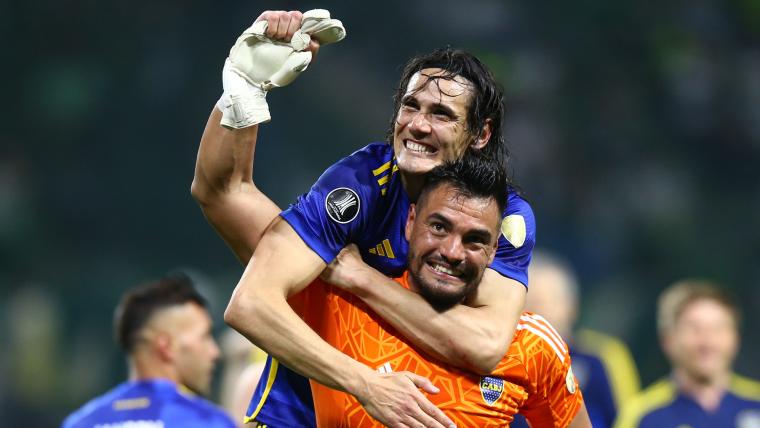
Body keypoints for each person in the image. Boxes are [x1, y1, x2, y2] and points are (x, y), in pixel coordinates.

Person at [192, 9, 535, 427]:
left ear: (481, 134)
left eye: (441, 114)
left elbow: (485, 345)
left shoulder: (501, 215)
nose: (418, 125)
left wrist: (360, 278)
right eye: (410, 106)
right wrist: (244, 93)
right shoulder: (359, 185)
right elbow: (249, 300)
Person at [287, 155, 591, 426]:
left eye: (474, 240)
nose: (452, 252)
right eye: (439, 227)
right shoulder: (342, 300)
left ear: (493, 250)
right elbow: (262, 226)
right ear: (410, 222)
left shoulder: (533, 346)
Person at [62, 274, 235, 428]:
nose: (215, 352)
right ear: (166, 347)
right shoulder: (208, 422)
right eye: (204, 337)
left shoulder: (79, 422)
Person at [511, 251, 640, 428]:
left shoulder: (601, 357)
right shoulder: (499, 361)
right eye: (529, 301)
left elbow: (629, 419)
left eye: (546, 301)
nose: (537, 310)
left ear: (572, 306)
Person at [614, 279, 760, 428]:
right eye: (695, 329)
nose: (708, 342)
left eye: (718, 329)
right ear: (668, 340)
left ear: (736, 338)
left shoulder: (756, 402)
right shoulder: (643, 417)